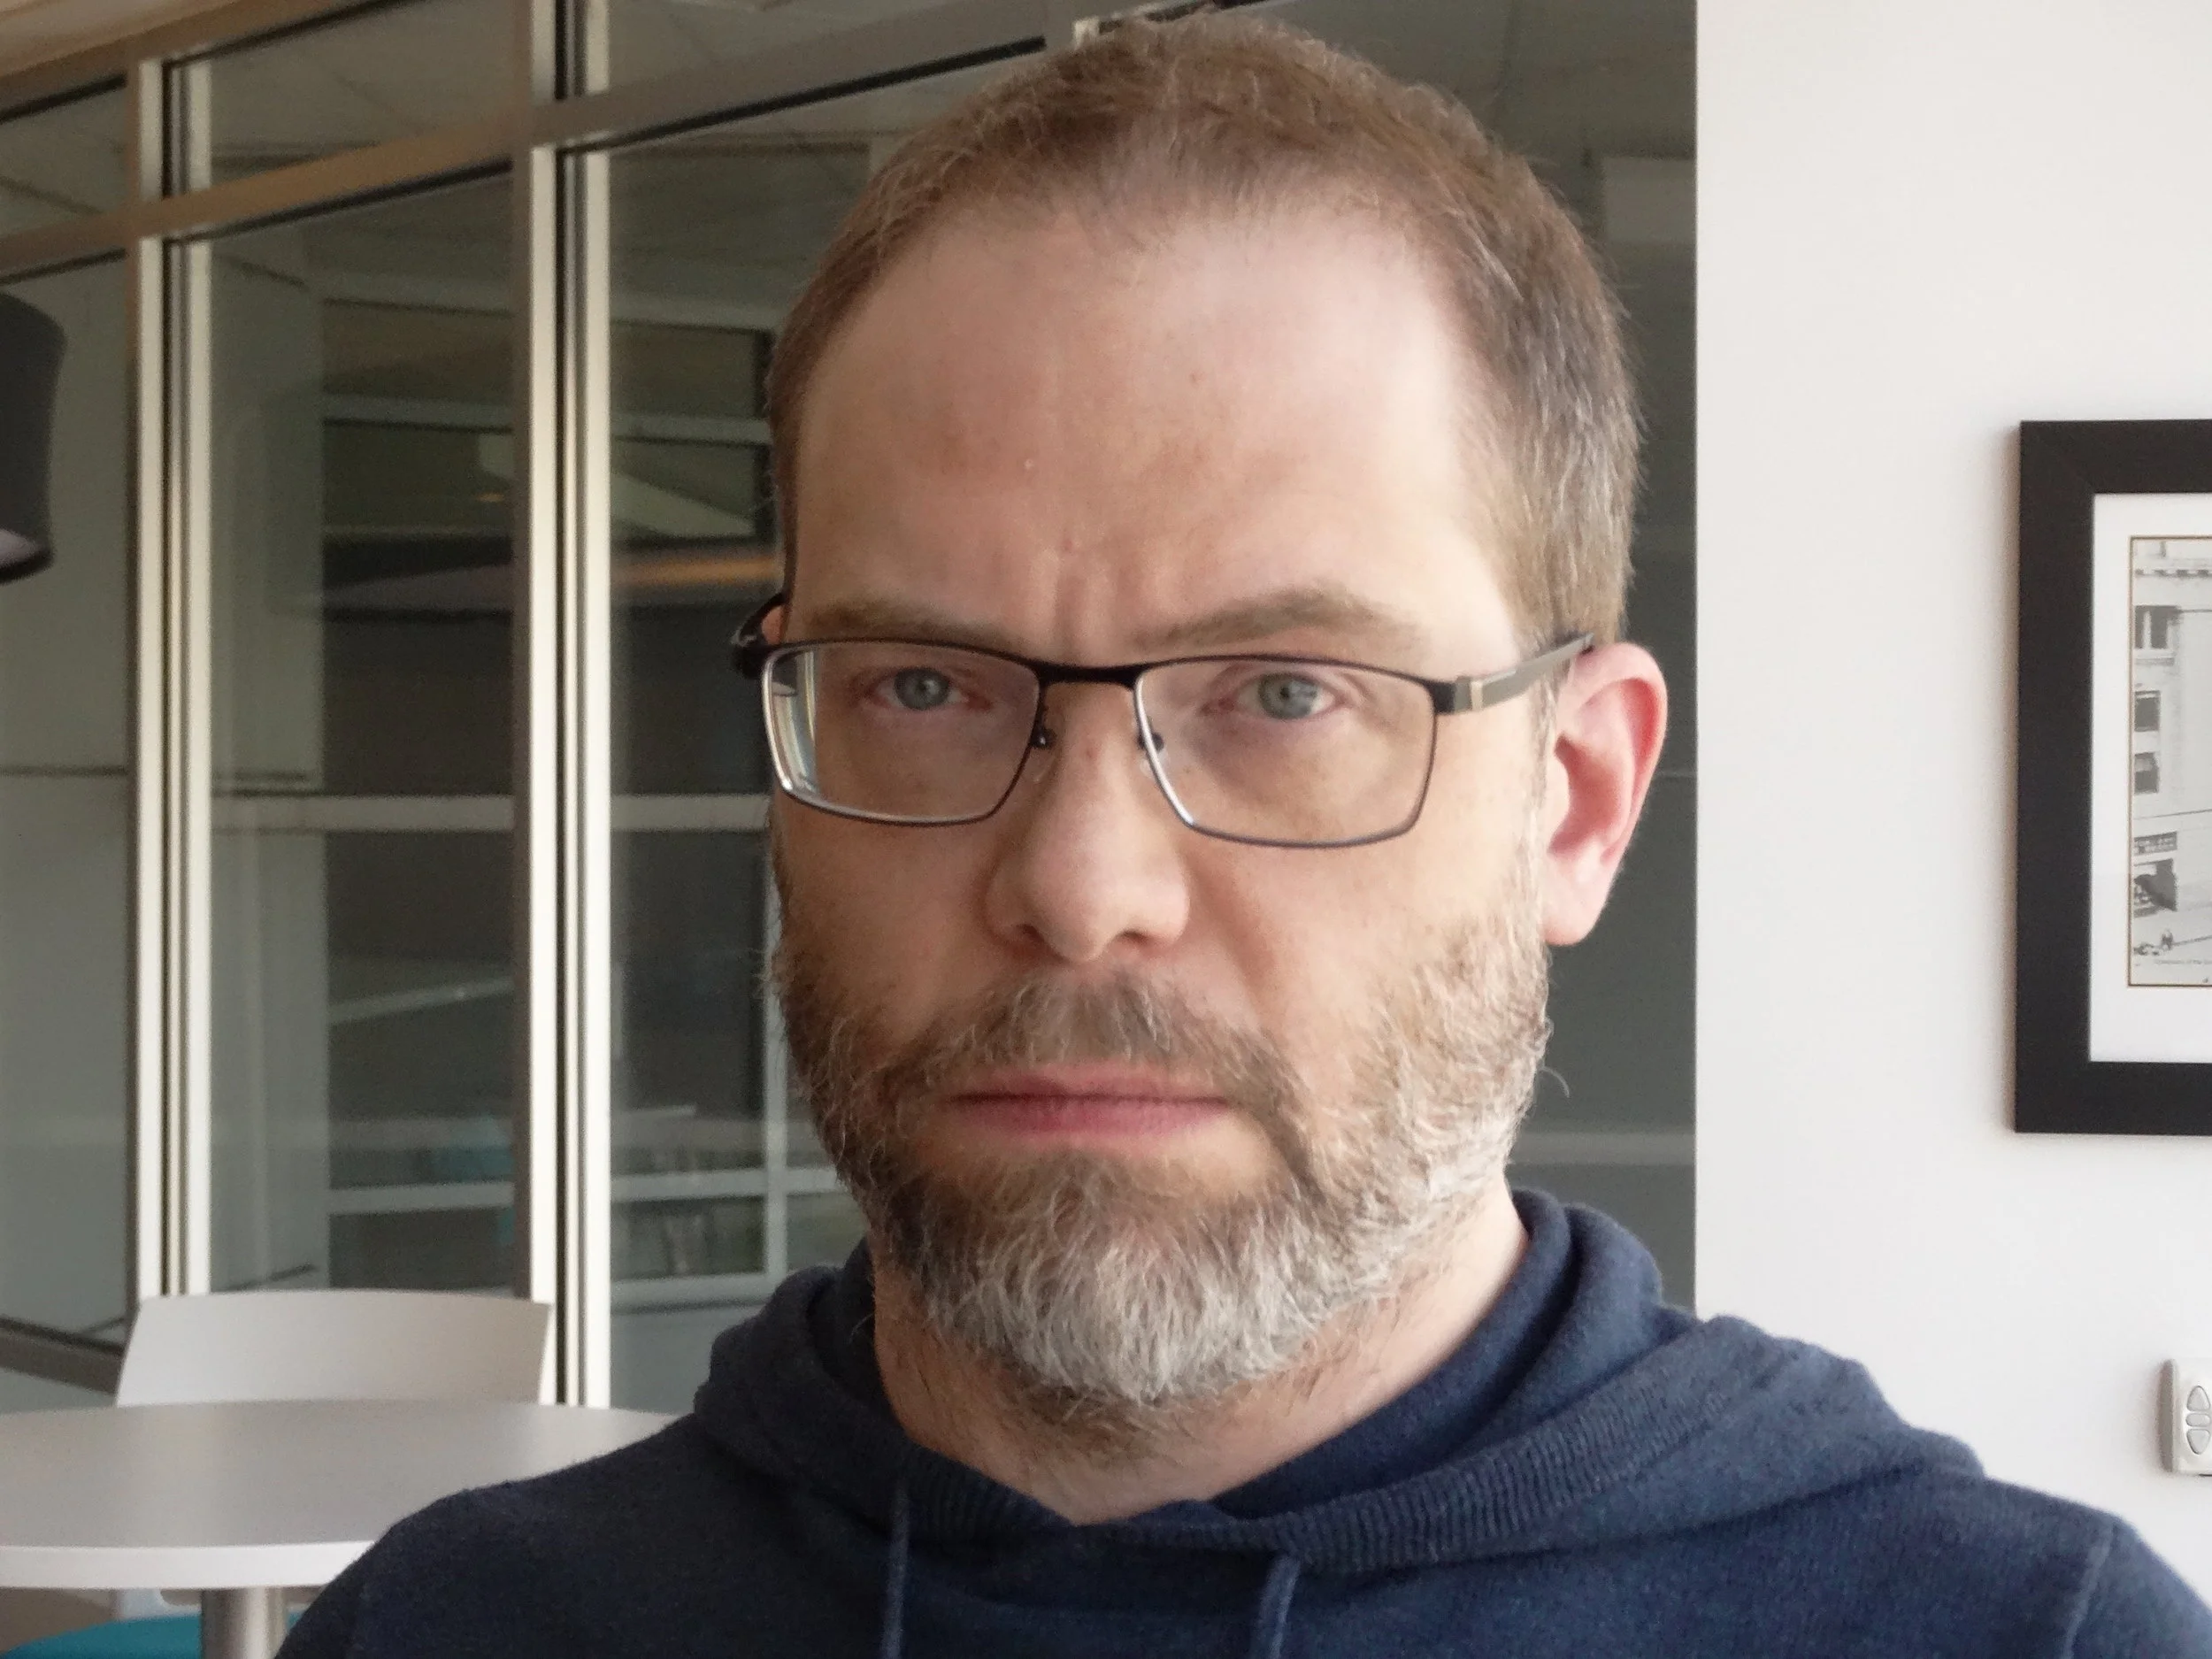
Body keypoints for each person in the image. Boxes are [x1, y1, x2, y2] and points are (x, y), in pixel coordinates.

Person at [281, 15, 2212, 1657]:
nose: (1077, 888)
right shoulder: (450, 1628)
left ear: (1575, 799)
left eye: (1287, 692)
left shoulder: (2021, 1635)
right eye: (925, 684)